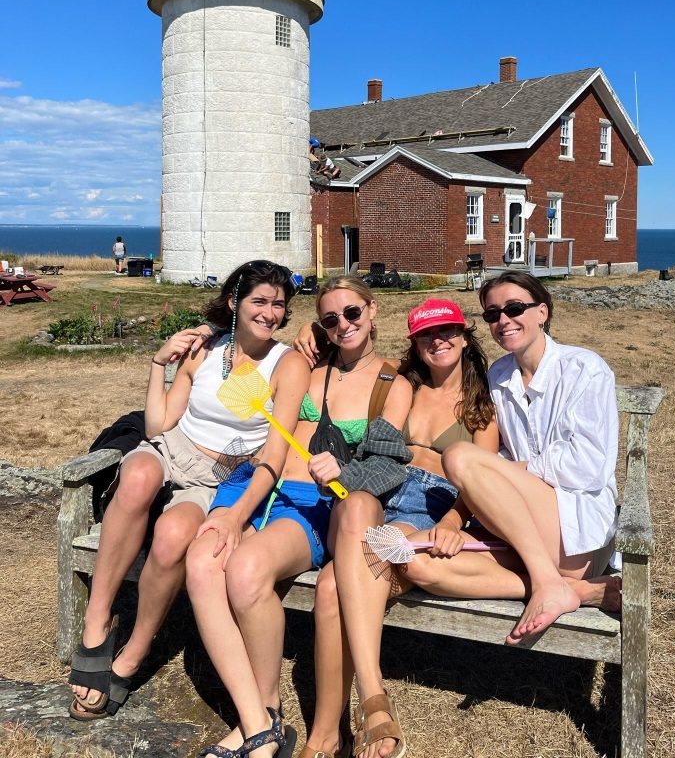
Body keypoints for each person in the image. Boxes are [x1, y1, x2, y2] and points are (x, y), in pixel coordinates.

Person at [67, 260, 308, 730]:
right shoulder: (204, 348)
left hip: (219, 475)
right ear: (235, 302)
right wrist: (159, 364)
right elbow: (158, 426)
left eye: (279, 305)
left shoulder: (287, 365)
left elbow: (272, 460)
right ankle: (96, 626)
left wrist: (236, 516)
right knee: (136, 477)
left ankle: (133, 651)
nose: (270, 313)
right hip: (174, 448)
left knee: (175, 536)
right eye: (259, 301)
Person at [186, 276, 412, 758]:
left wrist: (346, 471)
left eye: (352, 313)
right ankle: (257, 715)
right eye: (330, 319)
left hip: (309, 502)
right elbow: (251, 338)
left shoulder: (394, 383)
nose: (342, 325)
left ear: (373, 311)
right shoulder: (309, 361)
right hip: (254, 483)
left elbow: (389, 464)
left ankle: (267, 717)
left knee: (245, 570)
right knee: (205, 559)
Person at [295, 299, 499, 758]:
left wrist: (452, 521)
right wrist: (312, 327)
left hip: (436, 506)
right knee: (351, 532)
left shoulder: (482, 399)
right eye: (426, 335)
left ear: (465, 336)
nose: (438, 341)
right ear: (414, 343)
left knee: (330, 590)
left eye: (447, 331)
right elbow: (350, 342)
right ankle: (345, 721)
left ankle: (337, 729)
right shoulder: (402, 385)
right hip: (386, 492)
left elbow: (481, 478)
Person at [402, 271, 620, 647]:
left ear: (542, 312)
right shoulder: (500, 376)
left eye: (515, 308)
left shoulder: (585, 368)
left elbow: (589, 467)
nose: (503, 320)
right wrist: (318, 343)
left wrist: (514, 470)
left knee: (459, 457)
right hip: (520, 529)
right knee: (413, 559)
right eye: (492, 314)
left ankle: (551, 581)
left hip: (576, 530)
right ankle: (575, 591)